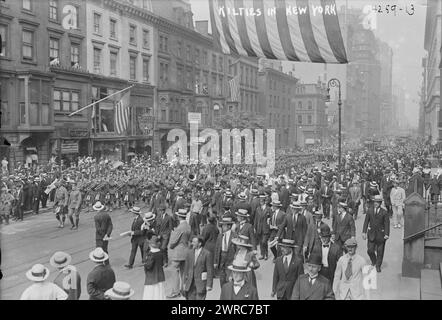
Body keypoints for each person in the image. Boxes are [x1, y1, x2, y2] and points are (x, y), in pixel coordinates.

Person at [167, 208, 191, 299]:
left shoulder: (179, 228)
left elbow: (173, 242)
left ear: (179, 217)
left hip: (178, 252)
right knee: (183, 272)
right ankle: (184, 289)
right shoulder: (188, 226)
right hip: (186, 251)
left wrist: (171, 246)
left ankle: (175, 291)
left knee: (174, 271)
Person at [362, 195, 390, 272]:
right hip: (371, 234)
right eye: (375, 202)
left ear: (380, 203)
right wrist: (364, 232)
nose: (376, 203)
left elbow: (387, 224)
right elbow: (366, 222)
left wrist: (387, 234)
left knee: (380, 251)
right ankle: (374, 261)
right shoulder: (369, 210)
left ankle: (378, 265)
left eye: (377, 202)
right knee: (370, 250)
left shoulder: (384, 212)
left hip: (381, 235)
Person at [183, 235, 213, 300]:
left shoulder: (207, 254)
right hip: (190, 282)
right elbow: (186, 268)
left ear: (200, 243)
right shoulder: (189, 253)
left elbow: (209, 270)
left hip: (201, 283)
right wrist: (184, 282)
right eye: (192, 242)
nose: (192, 243)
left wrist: (209, 285)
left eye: (194, 242)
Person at [214, 216, 237, 288]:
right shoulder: (220, 236)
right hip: (221, 260)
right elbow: (217, 249)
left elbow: (237, 250)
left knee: (229, 280)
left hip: (230, 260)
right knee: (222, 280)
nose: (222, 227)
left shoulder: (235, 236)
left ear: (229, 226)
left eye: (224, 225)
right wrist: (215, 261)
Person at [143, 233, 166, 300]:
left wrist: (145, 264)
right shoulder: (160, 252)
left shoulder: (151, 254)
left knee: (151, 294)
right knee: (159, 293)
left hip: (152, 277)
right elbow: (162, 263)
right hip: (160, 276)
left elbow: (148, 266)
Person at [254, 193, 271, 260]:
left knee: (264, 241)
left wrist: (269, 225)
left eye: (262, 201)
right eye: (260, 201)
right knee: (261, 242)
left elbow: (270, 218)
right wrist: (255, 227)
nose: (260, 202)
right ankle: (262, 254)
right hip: (259, 228)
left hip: (265, 228)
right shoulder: (258, 209)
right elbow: (256, 219)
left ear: (264, 202)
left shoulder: (268, 209)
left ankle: (266, 254)